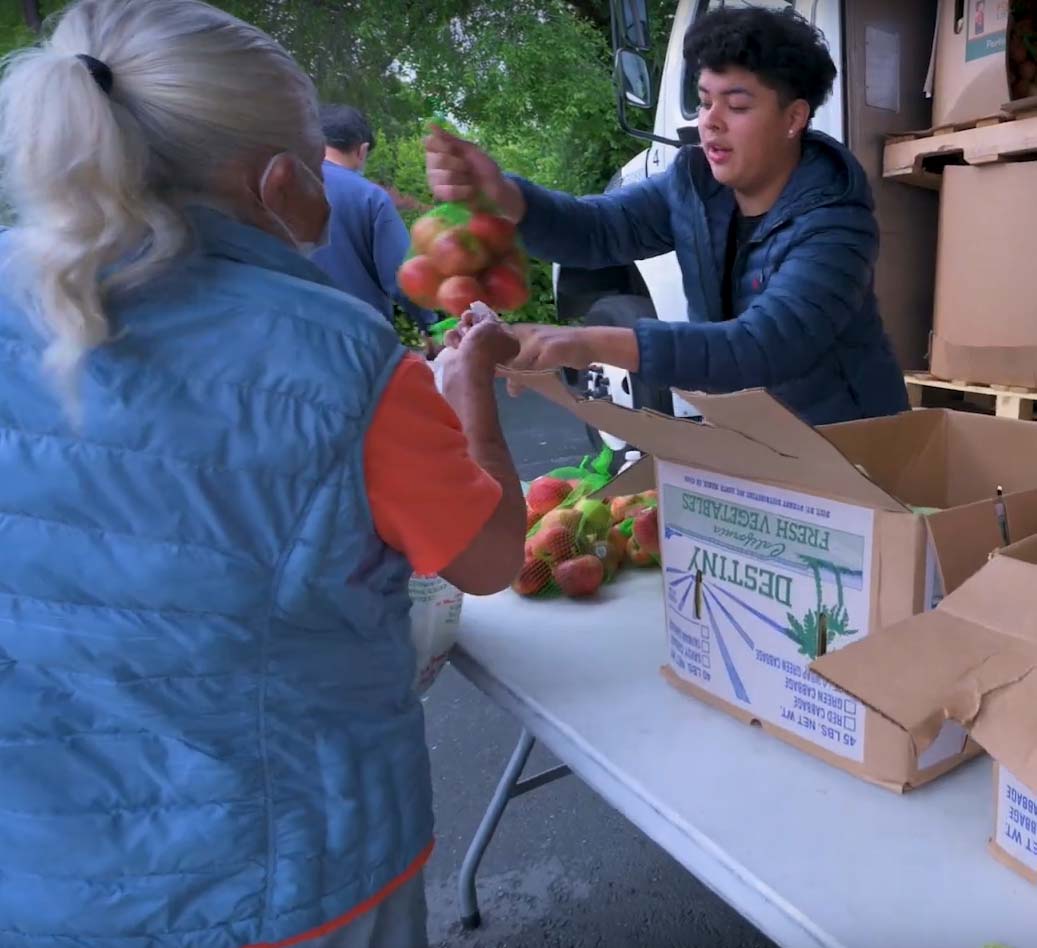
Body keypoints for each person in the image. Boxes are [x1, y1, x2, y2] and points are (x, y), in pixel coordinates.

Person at [0, 2, 525, 947]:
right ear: (281, 182)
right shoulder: (340, 360)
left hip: (38, 877)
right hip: (288, 881)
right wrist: (468, 389)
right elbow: (487, 558)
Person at [426, 6, 910, 426]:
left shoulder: (835, 223)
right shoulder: (695, 185)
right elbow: (599, 230)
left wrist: (585, 341)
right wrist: (504, 195)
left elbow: (759, 348)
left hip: (852, 445)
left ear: (793, 118)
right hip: (754, 436)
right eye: (704, 101)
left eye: (736, 104)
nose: (710, 120)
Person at [311, 104, 437, 337]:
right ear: (362, 151)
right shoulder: (368, 196)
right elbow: (405, 278)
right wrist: (432, 325)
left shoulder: (276, 186)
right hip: (360, 342)